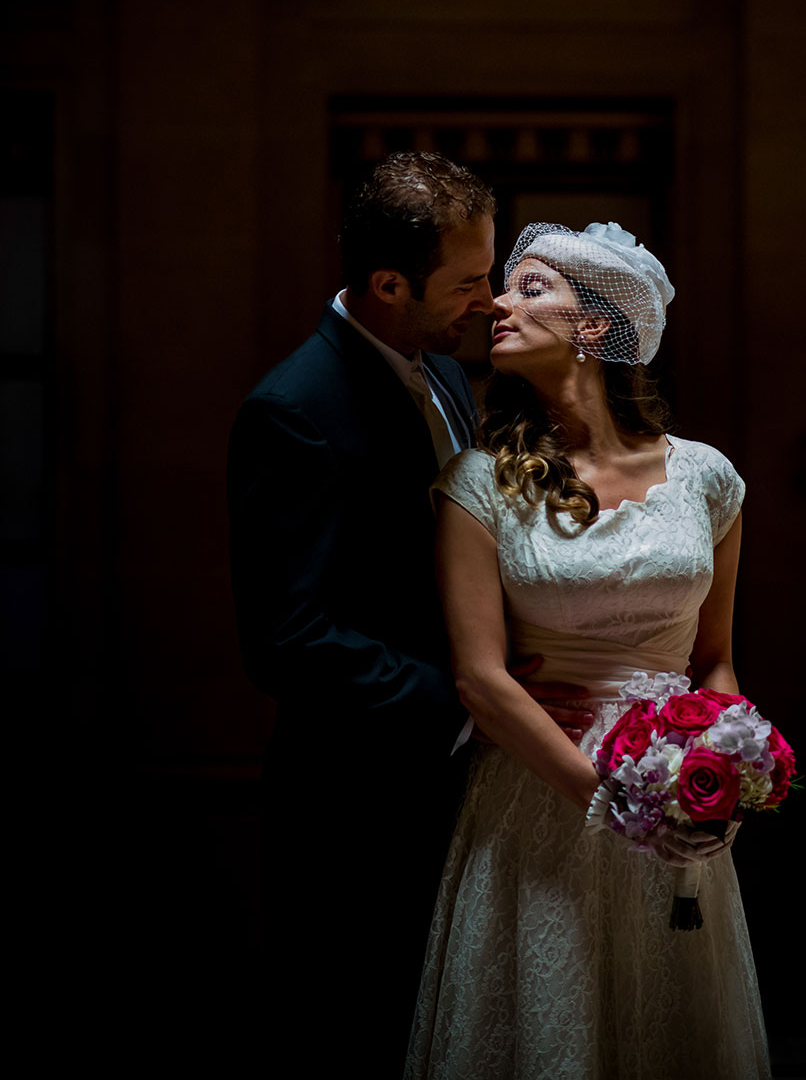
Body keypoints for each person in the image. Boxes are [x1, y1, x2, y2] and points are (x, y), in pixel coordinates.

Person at [227, 155, 591, 1075]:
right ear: (389, 283)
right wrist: (470, 700)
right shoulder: (293, 409)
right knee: (360, 1033)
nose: (487, 298)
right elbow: (287, 638)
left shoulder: (438, 375)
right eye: (468, 279)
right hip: (353, 807)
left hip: (456, 793)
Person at [406, 221, 770, 1080]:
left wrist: (731, 768)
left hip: (678, 800)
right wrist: (612, 801)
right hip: (539, 796)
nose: (497, 301)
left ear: (597, 327)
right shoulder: (479, 481)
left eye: (531, 288)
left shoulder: (707, 478)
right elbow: (481, 679)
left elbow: (713, 659)